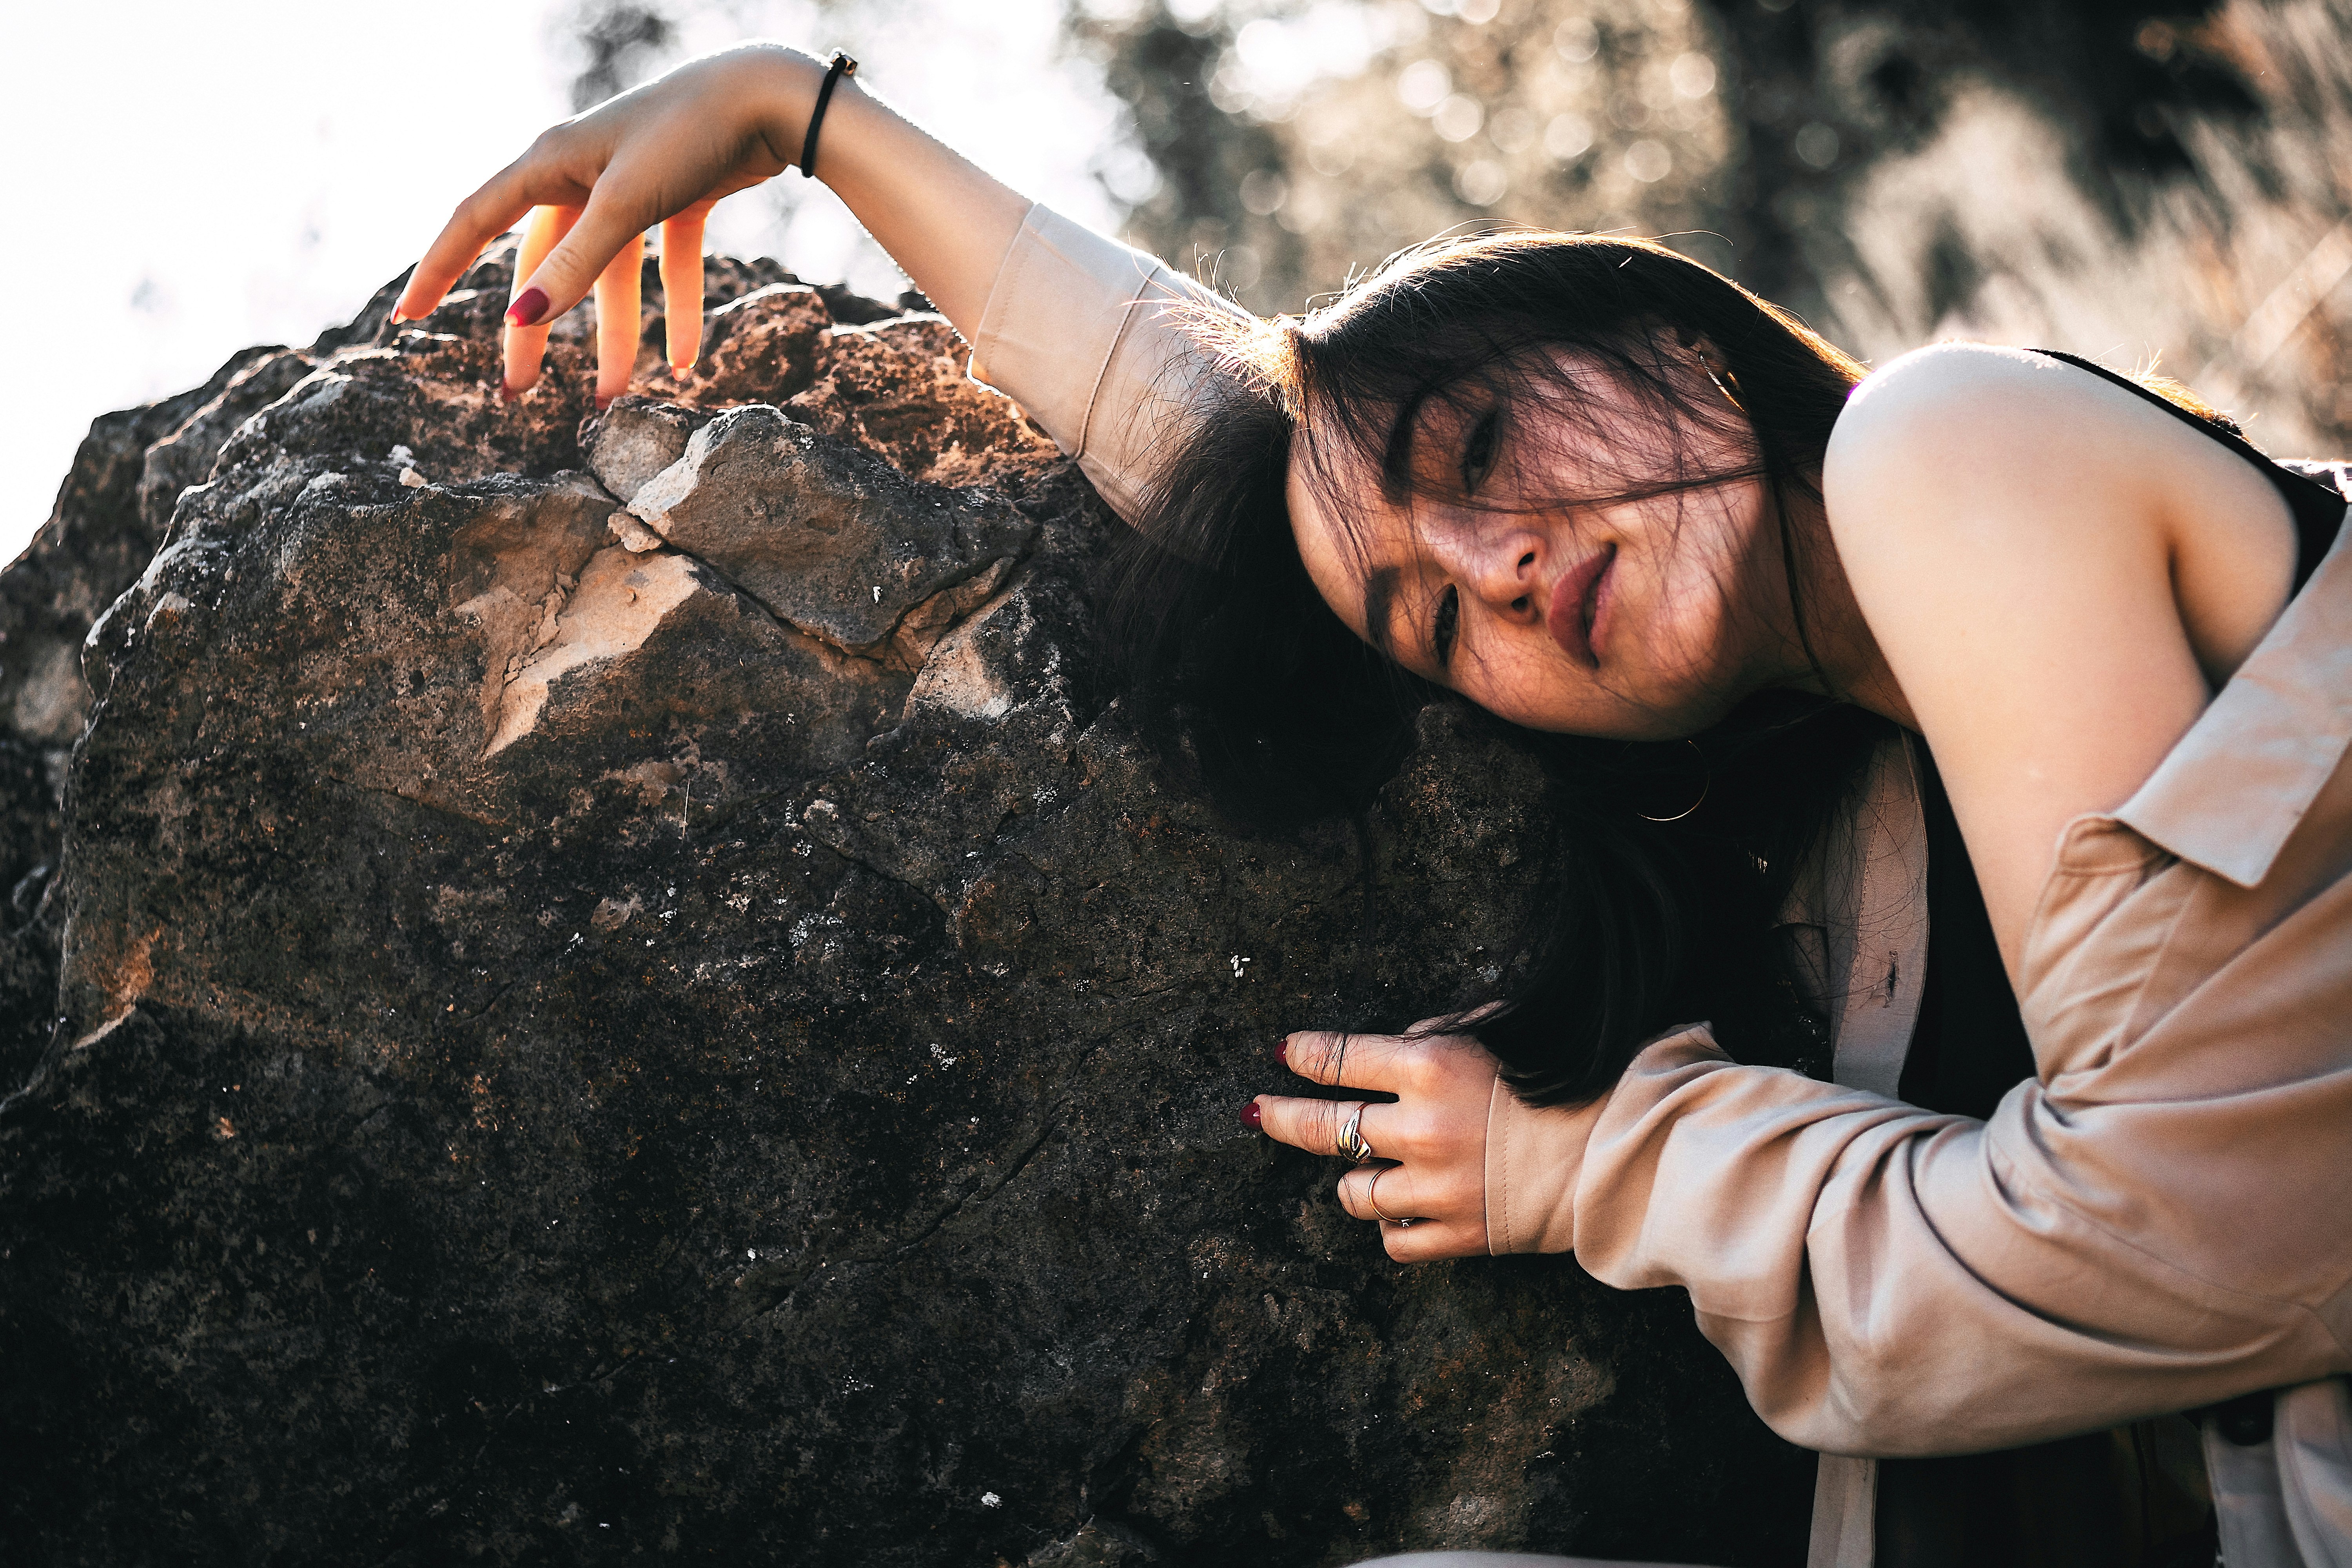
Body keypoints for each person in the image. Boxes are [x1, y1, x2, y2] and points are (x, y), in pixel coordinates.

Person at [392, 42, 2352, 1568]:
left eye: (1489, 443)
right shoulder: (1849, 816)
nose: (1493, 568)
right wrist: (804, 117)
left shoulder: (1955, 447)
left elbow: (2212, 1240)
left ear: (1672, 333)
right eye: (1426, 617)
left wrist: (1595, 1169)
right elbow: (1260, 458)